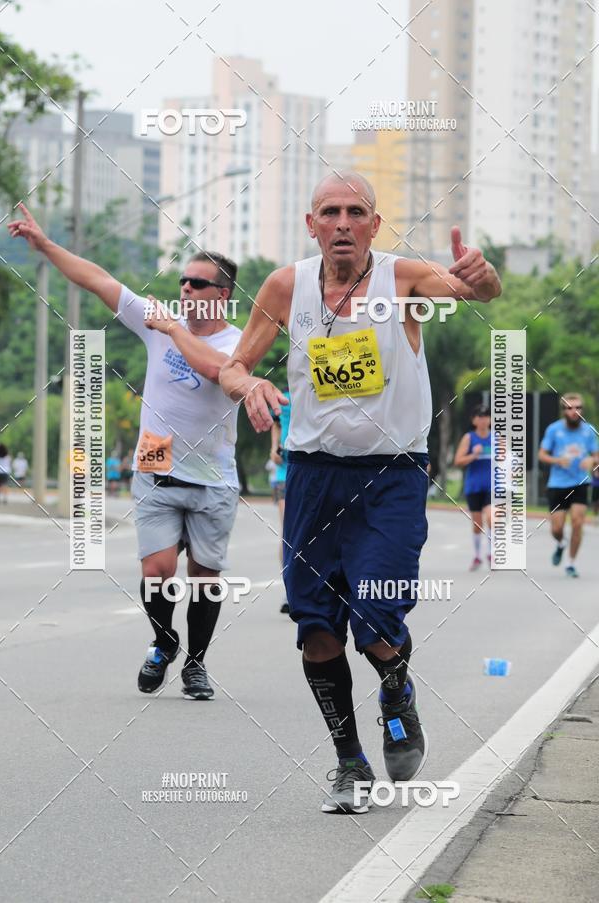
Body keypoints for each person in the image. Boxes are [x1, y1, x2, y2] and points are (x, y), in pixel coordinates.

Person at [220, 171, 501, 812]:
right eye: (330, 212)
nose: (342, 223)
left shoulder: (404, 280)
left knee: (376, 620)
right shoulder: (285, 287)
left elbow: (474, 290)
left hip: (392, 477)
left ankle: (396, 692)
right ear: (311, 225)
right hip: (312, 478)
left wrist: (482, 278)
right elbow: (234, 366)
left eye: (355, 212)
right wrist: (250, 385)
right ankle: (350, 763)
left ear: (375, 225)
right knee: (317, 629)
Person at [8, 202, 241, 699]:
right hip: (156, 468)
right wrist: (44, 245)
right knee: (157, 572)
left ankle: (196, 664)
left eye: (197, 283)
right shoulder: (159, 321)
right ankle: (165, 642)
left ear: (222, 294)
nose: (185, 290)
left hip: (214, 476)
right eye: (183, 281)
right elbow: (97, 279)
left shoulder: (239, 342)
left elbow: (217, 371)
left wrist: (173, 330)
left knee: (204, 578)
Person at [538, 393, 598, 577]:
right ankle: (560, 543)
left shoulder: (589, 430)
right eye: (570, 408)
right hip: (557, 484)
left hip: (580, 483)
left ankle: (571, 563)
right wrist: (557, 460)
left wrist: (591, 460)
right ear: (563, 410)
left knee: (578, 522)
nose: (574, 412)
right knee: (557, 528)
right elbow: (542, 454)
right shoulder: (554, 429)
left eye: (578, 408)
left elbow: (596, 455)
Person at [454, 404, 492, 570]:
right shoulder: (469, 438)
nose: (483, 420)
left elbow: (507, 460)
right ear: (474, 420)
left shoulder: (496, 438)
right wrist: (473, 455)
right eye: (479, 417)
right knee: (478, 524)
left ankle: (491, 553)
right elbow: (458, 461)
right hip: (474, 486)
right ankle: (477, 556)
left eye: (486, 416)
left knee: (492, 518)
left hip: (493, 486)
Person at [270, 388, 291, 614]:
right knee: (288, 532)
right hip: (284, 474)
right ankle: (289, 589)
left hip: (310, 471)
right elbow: (275, 424)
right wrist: (273, 447)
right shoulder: (283, 398)